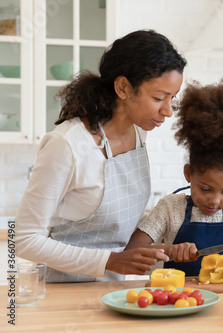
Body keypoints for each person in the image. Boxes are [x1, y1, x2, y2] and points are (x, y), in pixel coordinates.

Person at [15, 30, 191, 282]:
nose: (168, 111)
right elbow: (24, 240)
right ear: (123, 88)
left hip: (115, 293)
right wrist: (111, 261)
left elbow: (118, 226)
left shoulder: (140, 134)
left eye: (172, 98)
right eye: (159, 98)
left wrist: (161, 249)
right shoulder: (66, 145)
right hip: (62, 294)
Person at [126, 80, 223, 276]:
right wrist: (170, 251)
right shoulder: (170, 207)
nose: (216, 200)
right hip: (178, 300)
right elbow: (132, 251)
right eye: (206, 189)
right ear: (188, 174)